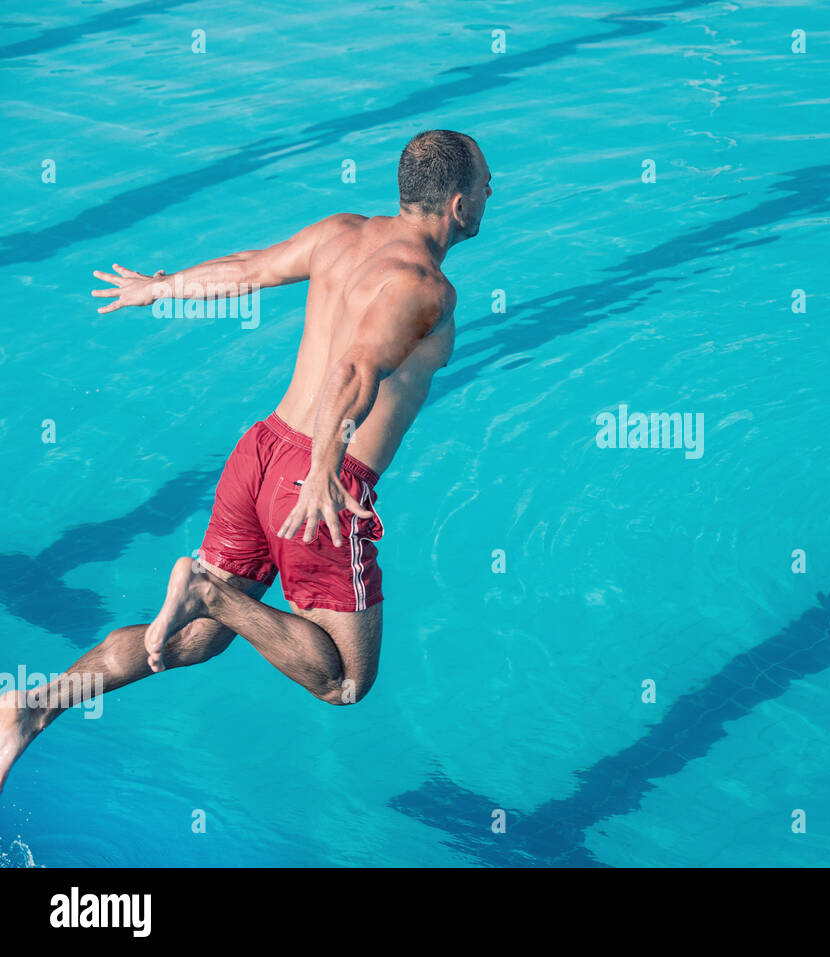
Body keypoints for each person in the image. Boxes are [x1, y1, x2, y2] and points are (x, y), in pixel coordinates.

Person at [0, 129, 491, 791]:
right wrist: (323, 467)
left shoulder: (342, 233)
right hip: (319, 480)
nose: (494, 191)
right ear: (458, 203)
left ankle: (31, 705)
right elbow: (356, 367)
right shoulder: (426, 287)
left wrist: (163, 287)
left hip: (258, 452)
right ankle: (203, 590)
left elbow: (252, 268)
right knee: (344, 680)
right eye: (487, 183)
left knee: (193, 641)